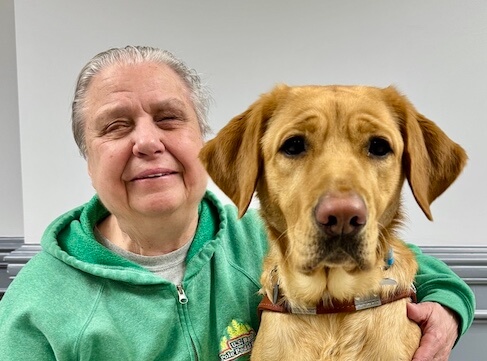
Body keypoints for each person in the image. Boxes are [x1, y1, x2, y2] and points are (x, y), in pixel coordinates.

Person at [0, 46, 475, 361]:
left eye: (169, 118)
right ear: (86, 157)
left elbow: (408, 264)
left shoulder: (260, 235)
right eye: (116, 126)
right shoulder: (35, 307)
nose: (147, 141)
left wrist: (450, 307)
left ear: (199, 139)